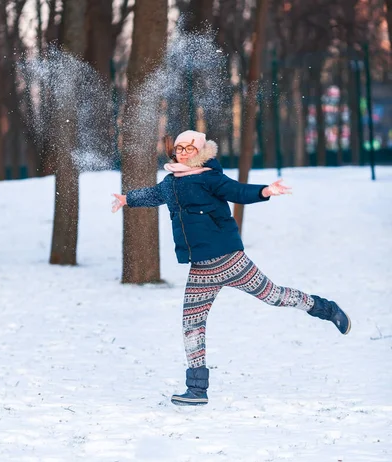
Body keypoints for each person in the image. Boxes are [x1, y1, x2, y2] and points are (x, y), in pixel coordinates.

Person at [112, 130, 350, 406]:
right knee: (191, 324)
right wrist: (128, 199)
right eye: (179, 148)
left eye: (190, 148)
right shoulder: (170, 183)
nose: (184, 152)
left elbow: (237, 191)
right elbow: (154, 195)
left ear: (200, 152)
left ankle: (326, 309)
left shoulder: (210, 178)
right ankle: (197, 389)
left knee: (274, 296)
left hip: (229, 260)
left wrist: (264, 191)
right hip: (200, 269)